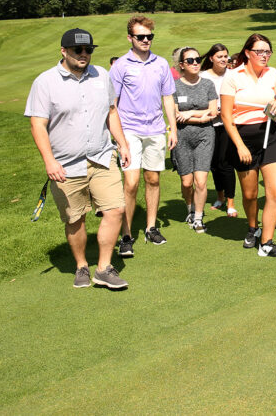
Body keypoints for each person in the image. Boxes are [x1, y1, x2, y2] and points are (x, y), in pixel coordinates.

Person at [25, 28, 130, 289]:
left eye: (88, 50)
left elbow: (111, 112)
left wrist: (123, 143)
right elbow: (38, 125)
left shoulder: (102, 76)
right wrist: (49, 161)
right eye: (78, 50)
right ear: (64, 51)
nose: (84, 55)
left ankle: (104, 268)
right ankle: (82, 265)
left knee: (116, 209)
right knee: (75, 219)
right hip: (66, 164)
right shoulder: (45, 82)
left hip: (102, 157)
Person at [109, 15, 178, 256]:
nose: (146, 40)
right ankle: (126, 235)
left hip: (156, 129)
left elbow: (168, 96)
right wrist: (119, 140)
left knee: (153, 180)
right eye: (141, 36)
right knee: (131, 183)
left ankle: (150, 227)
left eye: (149, 36)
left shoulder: (160, 64)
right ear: (130, 38)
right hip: (129, 130)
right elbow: (113, 104)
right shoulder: (120, 66)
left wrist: (173, 128)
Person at [219, 33, 276, 257]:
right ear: (248, 53)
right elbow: (227, 116)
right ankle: (253, 227)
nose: (264, 55)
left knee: (275, 193)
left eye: (267, 51)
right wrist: (240, 146)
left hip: (271, 136)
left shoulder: (273, 74)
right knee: (249, 195)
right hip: (243, 138)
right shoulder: (233, 77)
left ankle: (267, 243)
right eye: (259, 51)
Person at [172, 47, 218, 231]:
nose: (195, 63)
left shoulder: (207, 84)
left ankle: (198, 217)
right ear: (182, 65)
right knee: (186, 182)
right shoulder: (174, 86)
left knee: (200, 181)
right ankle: (190, 208)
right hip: (182, 136)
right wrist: (201, 115)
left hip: (205, 136)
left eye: (197, 59)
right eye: (190, 61)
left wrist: (189, 113)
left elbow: (213, 112)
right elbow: (174, 115)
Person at [199, 44, 238, 217]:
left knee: (226, 164)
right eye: (220, 56)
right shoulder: (203, 76)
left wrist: (223, 111)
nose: (223, 59)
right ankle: (220, 197)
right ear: (211, 58)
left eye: (225, 56)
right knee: (214, 164)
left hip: (226, 125)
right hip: (207, 125)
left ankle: (231, 202)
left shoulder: (233, 75)